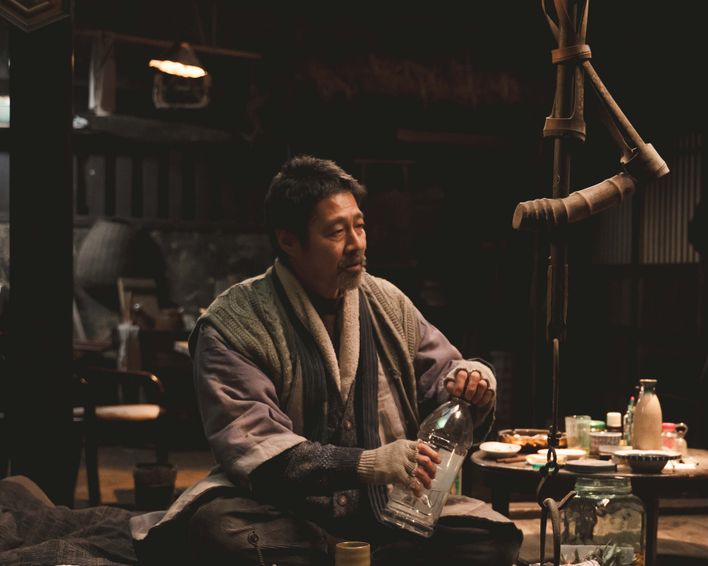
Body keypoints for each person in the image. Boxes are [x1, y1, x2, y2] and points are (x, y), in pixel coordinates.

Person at [131, 156, 522, 565]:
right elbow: (259, 452)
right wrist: (368, 463)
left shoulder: (388, 303)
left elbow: (443, 377)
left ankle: (353, 557)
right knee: (220, 530)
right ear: (288, 241)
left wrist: (472, 381)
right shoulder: (235, 324)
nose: (357, 243)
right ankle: (356, 555)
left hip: (387, 508)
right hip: (287, 515)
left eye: (359, 226)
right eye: (337, 232)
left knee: (494, 538)